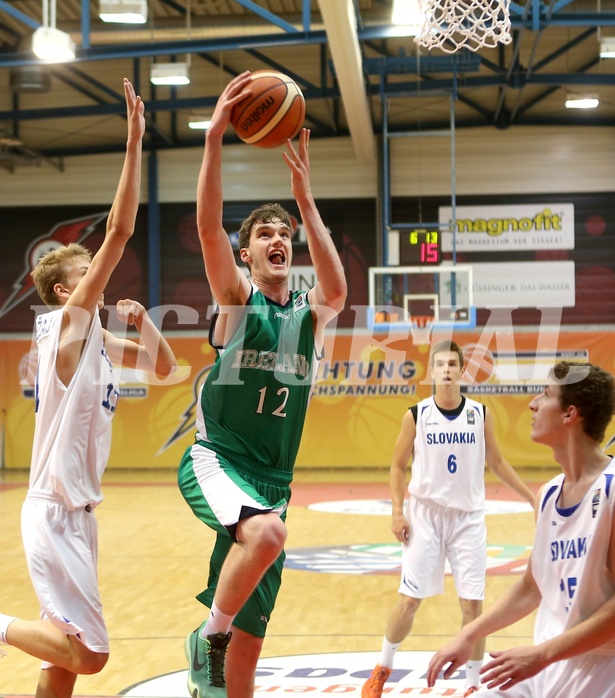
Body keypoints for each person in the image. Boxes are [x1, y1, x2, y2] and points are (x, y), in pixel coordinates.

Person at [0, 79, 177, 698]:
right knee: (92, 654)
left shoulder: (95, 337)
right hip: (55, 512)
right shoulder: (67, 327)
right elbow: (122, 229)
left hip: (76, 515)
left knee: (64, 658)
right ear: (64, 291)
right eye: (85, 272)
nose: (98, 273)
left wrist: (144, 321)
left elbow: (162, 366)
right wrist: (134, 141)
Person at [177, 70, 347, 698]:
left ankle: (215, 661)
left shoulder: (310, 311)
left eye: (286, 234)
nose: (278, 240)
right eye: (264, 234)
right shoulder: (238, 302)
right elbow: (205, 228)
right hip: (219, 462)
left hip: (274, 486)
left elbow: (337, 291)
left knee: (241, 670)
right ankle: (206, 637)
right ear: (246, 254)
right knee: (267, 540)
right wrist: (214, 140)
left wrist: (305, 202)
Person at [427, 361, 615, 697]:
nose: (532, 404)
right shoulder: (548, 495)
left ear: (570, 414)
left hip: (602, 668)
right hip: (549, 663)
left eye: (544, 395)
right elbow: (532, 586)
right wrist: (467, 635)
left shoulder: (612, 492)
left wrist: (543, 654)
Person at [362, 339, 536, 698]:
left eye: (452, 365)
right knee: (409, 600)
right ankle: (383, 667)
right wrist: (397, 512)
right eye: (439, 365)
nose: (446, 370)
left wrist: (531, 495)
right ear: (432, 372)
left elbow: (498, 462)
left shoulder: (479, 413)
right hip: (425, 515)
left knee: (473, 605)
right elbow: (397, 465)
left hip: (468, 518)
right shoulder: (416, 414)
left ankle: (473, 685)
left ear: (460, 370)